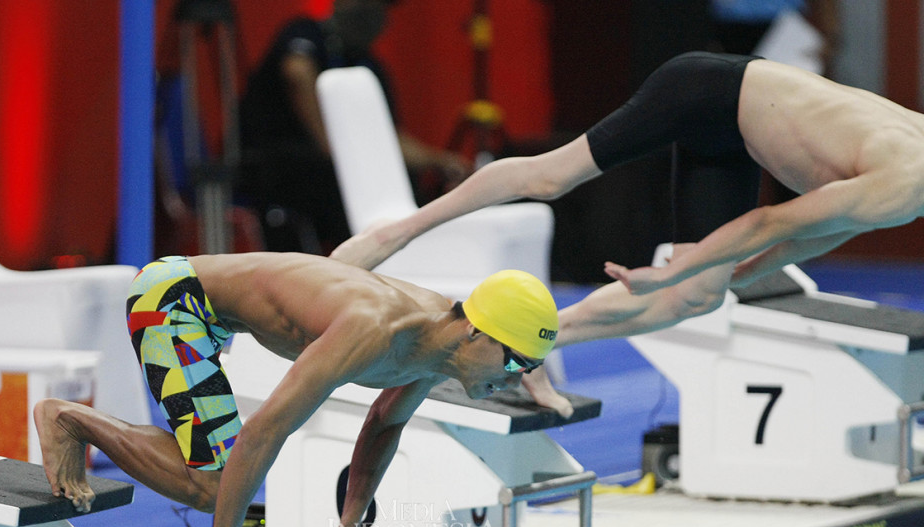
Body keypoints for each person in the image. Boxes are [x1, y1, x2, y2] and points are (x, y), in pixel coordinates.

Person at [32, 253, 559, 527]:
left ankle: (77, 421)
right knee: (218, 488)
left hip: (211, 313)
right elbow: (268, 428)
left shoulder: (437, 350)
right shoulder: (375, 328)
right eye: (514, 361)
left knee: (223, 480)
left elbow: (383, 424)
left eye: (530, 369)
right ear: (474, 332)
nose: (515, 379)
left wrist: (349, 525)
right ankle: (70, 419)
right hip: (171, 298)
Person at [331, 51, 924, 354]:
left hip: (737, 132)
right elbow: (770, 220)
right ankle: (397, 232)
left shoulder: (905, 185)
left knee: (692, 299)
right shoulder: (908, 179)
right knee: (549, 177)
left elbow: (829, 225)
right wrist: (676, 266)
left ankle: (528, 345)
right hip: (708, 90)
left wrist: (716, 277)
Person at [238, 0, 468, 253]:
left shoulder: (368, 65)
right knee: (348, 190)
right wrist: (333, 147)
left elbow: (388, 137)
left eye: (380, 8)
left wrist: (441, 162)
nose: (373, 14)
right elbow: (297, 72)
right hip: (284, 169)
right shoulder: (304, 33)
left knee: (409, 185)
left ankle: (418, 257)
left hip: (340, 173)